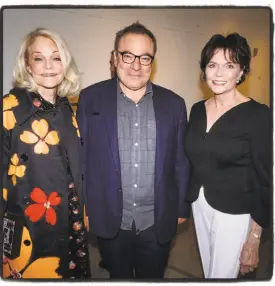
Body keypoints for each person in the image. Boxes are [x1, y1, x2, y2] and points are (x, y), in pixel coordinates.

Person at [76, 22, 190, 279]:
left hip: (157, 219)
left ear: (152, 61)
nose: (136, 65)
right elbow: (83, 160)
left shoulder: (174, 104)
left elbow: (180, 161)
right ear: (114, 57)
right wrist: (84, 208)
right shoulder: (90, 99)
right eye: (128, 55)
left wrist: (182, 208)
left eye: (145, 57)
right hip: (110, 217)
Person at [2, 28, 91, 279]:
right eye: (39, 58)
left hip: (70, 219)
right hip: (30, 226)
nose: (49, 66)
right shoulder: (9, 110)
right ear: (27, 65)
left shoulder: (66, 107)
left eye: (56, 57)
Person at [185, 33, 271, 279]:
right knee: (209, 269)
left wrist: (254, 239)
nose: (219, 73)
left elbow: (264, 179)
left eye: (229, 65)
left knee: (222, 276)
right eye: (212, 65)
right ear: (204, 70)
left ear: (241, 71)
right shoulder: (197, 110)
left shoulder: (258, 115)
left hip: (235, 211)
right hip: (199, 204)